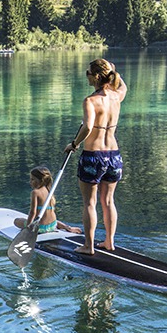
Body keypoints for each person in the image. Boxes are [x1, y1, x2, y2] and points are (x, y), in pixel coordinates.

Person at [64, 58, 127, 254]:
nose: (87, 77)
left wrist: (74, 144)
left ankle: (88, 246)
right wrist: (113, 70)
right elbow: (123, 85)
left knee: (89, 203)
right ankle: (109, 242)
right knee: (108, 201)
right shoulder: (117, 96)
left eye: (88, 74)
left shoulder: (90, 101)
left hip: (94, 156)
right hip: (114, 156)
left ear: (97, 76)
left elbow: (88, 127)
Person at [14, 165, 82, 234]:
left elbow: (32, 212)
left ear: (40, 180)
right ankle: (67, 227)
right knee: (52, 218)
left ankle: (34, 228)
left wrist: (28, 228)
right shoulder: (49, 190)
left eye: (32, 179)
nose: (30, 182)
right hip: (53, 225)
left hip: (40, 227)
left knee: (17, 221)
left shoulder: (35, 192)